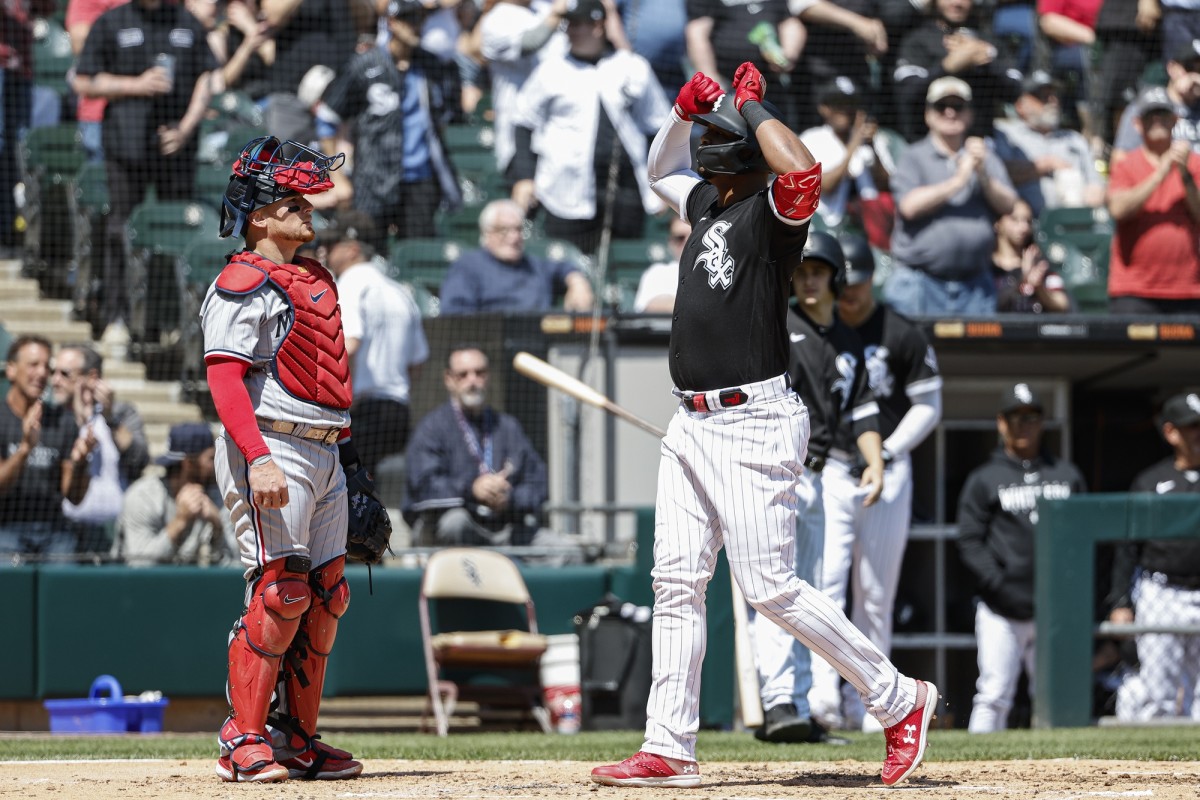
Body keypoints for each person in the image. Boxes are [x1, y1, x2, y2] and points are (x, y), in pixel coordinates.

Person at [590, 63, 937, 789]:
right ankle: (669, 746)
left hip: (753, 418)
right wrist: (686, 111)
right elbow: (659, 168)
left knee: (770, 586)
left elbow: (806, 168)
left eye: (713, 137)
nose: (703, 144)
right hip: (691, 421)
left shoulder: (769, 214)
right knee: (677, 583)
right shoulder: (711, 204)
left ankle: (899, 698)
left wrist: (752, 105)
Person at [201, 135, 384, 782]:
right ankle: (241, 736)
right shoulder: (242, 279)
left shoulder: (315, 276)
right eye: (291, 201)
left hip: (326, 446)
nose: (307, 209)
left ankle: (295, 737)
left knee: (328, 595)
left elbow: (330, 380)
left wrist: (354, 465)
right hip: (273, 444)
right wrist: (257, 459)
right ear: (259, 216)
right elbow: (224, 378)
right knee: (280, 593)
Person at [750, 231, 883, 744]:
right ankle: (780, 700)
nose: (807, 279)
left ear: (834, 277)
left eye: (817, 271)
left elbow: (864, 408)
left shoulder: (847, 340)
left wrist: (874, 461)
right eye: (801, 271)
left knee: (808, 592)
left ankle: (797, 707)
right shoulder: (777, 324)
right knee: (781, 589)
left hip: (821, 472)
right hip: (781, 466)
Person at [814, 234, 944, 732]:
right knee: (824, 586)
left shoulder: (900, 330)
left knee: (874, 593)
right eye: (843, 283)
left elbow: (928, 405)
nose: (851, 293)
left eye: (859, 282)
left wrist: (886, 451)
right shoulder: (814, 330)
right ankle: (823, 696)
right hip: (831, 466)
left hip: (887, 469)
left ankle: (874, 704)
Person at [72, 0, 218, 343]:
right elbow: (84, 81)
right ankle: (118, 318)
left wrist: (185, 127)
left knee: (175, 231)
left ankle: (168, 322)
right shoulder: (112, 22)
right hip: (126, 146)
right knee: (120, 227)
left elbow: (206, 77)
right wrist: (134, 85)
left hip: (176, 147)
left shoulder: (187, 23)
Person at [956, 383, 1086, 733]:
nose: (1024, 426)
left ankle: (1066, 777)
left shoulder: (1066, 474)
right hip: (1001, 608)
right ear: (1002, 423)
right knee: (994, 693)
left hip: (1053, 608)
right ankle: (974, 773)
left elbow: (1081, 538)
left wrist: (1068, 589)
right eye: (1016, 418)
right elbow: (969, 539)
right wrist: (997, 583)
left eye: (1031, 418)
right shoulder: (984, 478)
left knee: (1053, 697)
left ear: (1042, 422)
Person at [509, 0, 670, 255]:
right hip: (565, 190)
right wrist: (525, 176)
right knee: (569, 264)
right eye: (568, 24)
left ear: (597, 26)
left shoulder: (632, 67)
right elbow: (522, 121)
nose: (570, 30)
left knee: (624, 264)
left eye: (577, 24)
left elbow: (658, 127)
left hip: (625, 190)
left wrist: (662, 182)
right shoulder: (552, 69)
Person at [316, 0, 462, 251]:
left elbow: (444, 121)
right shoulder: (364, 65)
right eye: (409, 19)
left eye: (420, 18)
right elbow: (327, 120)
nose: (417, 26)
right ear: (392, 22)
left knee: (419, 257)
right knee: (366, 253)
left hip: (420, 181)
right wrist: (337, 177)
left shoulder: (433, 66)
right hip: (372, 183)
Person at [884, 77, 1018, 317]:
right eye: (941, 106)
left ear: (969, 114)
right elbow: (909, 207)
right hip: (919, 283)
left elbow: (1009, 205)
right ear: (928, 114)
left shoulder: (984, 157)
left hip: (975, 285)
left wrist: (983, 174)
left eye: (958, 106)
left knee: (974, 356)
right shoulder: (913, 156)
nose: (949, 112)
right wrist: (958, 180)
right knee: (914, 354)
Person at [403, 344, 557, 549]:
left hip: (505, 530)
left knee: (565, 551)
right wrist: (472, 489)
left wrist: (508, 498)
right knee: (455, 523)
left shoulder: (507, 427)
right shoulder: (432, 428)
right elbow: (423, 486)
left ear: (489, 376)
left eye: (479, 373)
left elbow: (538, 483)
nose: (472, 381)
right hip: (454, 533)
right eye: (463, 375)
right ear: (449, 379)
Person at [1110, 391, 1200, 721]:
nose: (1198, 433)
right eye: (1192, 426)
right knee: (1159, 691)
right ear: (1171, 432)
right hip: (1163, 591)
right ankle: (1155, 773)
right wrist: (1121, 602)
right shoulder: (1151, 481)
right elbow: (1128, 547)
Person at [320, 210, 429, 475]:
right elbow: (417, 363)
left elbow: (349, 345)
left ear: (352, 249)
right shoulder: (400, 292)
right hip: (398, 412)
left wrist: (345, 403)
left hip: (363, 412)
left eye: (332, 245)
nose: (324, 251)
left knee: (348, 495)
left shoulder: (350, 283)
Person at [1106, 86, 1200, 314]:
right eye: (1150, 116)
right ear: (1138, 123)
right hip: (1134, 290)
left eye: (1163, 115)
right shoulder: (1126, 165)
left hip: (1188, 289)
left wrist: (1185, 175)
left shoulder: (1193, 163)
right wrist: (1160, 173)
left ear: (1175, 120)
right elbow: (1118, 209)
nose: (1157, 121)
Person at [0, 336, 96, 558]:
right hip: (5, 527)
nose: (42, 373)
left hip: (53, 531)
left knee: (64, 581)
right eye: (33, 365)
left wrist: (81, 465)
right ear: (12, 370)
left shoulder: (63, 421)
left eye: (47, 366)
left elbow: (73, 497)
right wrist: (25, 448)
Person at [52, 343, 151, 553]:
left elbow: (139, 459)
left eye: (64, 373)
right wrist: (79, 421)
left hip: (116, 528)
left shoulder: (122, 412)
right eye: (54, 372)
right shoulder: (55, 417)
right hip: (65, 529)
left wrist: (110, 418)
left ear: (92, 376)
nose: (55, 380)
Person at [892, 0, 1020, 141]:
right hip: (927, 144)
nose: (957, 3)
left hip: (978, 144)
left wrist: (984, 61)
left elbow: (1015, 92)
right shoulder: (918, 40)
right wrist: (947, 66)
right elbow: (906, 95)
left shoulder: (988, 42)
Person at [439, 199, 595, 314]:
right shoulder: (468, 266)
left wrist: (577, 282)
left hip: (538, 343)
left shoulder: (533, 265)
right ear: (487, 233)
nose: (513, 238)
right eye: (504, 230)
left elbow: (563, 267)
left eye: (518, 230)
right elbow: (455, 313)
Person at [114, 422, 236, 566]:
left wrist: (218, 528)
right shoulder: (142, 497)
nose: (218, 463)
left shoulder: (218, 499)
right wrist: (179, 522)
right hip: (133, 587)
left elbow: (238, 566)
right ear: (188, 464)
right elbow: (139, 565)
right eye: (211, 458)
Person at [479, 0, 571, 181]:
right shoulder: (495, 19)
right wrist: (556, 14)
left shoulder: (543, 8)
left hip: (560, 134)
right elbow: (531, 42)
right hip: (520, 141)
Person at [993, 71, 1106, 215]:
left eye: (1054, 96)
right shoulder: (1006, 134)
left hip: (1073, 222)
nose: (1053, 102)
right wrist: (1044, 165)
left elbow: (1095, 183)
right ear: (1020, 106)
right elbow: (997, 174)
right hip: (1026, 226)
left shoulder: (1074, 139)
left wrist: (1094, 195)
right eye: (1043, 97)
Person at [798, 77, 893, 234]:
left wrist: (871, 147)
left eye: (850, 104)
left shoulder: (873, 140)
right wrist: (853, 144)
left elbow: (887, 185)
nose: (845, 110)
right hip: (827, 228)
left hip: (870, 228)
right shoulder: (812, 139)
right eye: (838, 104)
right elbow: (824, 186)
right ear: (824, 108)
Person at [1114, 39, 1200, 161]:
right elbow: (1120, 160)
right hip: (1167, 175)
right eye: (1190, 68)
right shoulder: (1147, 107)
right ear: (1172, 68)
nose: (1195, 76)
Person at [991, 200, 1073, 313]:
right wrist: (1021, 279)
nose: (1024, 227)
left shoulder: (1039, 262)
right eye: (1015, 219)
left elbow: (1062, 304)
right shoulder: (986, 266)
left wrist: (1039, 288)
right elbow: (987, 305)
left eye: (1028, 221)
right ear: (997, 223)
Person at [632, 218, 690, 313]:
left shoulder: (711, 270)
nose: (687, 242)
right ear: (671, 242)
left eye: (692, 236)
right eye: (680, 238)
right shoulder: (657, 272)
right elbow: (648, 308)